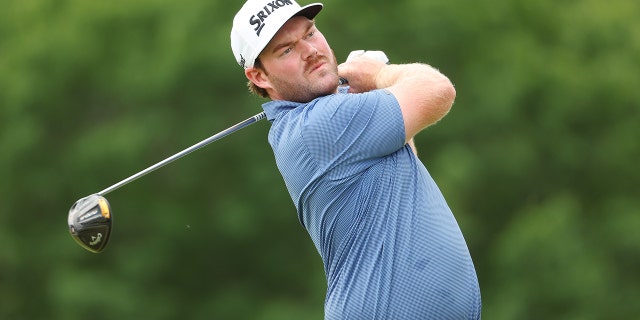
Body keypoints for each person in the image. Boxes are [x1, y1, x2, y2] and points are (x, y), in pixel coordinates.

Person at [231, 1, 481, 319]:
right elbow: (437, 90)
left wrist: (360, 91)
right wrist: (380, 75)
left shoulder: (332, 118)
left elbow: (402, 151)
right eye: (286, 51)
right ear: (260, 76)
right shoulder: (316, 126)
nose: (310, 51)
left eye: (310, 34)